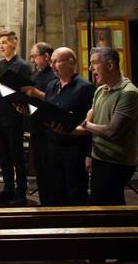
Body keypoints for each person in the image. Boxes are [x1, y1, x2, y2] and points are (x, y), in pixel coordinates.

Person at [20, 47, 93, 206]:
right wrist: (27, 111)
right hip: (52, 147)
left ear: (71, 62)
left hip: (74, 150)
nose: (52, 65)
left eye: (56, 62)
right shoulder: (52, 86)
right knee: (56, 192)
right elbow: (46, 114)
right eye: (51, 61)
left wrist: (89, 154)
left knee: (74, 193)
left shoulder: (85, 87)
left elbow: (91, 125)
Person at [78, 47, 138, 205]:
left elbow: (112, 131)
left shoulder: (129, 93)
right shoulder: (100, 90)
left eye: (94, 63)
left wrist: (83, 124)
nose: (90, 68)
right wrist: (90, 154)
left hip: (116, 162)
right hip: (99, 158)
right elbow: (92, 123)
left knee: (99, 207)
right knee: (112, 206)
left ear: (110, 65)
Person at [0, 30, 32, 206]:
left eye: (5, 42)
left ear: (14, 43)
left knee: (16, 155)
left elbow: (26, 90)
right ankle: (8, 189)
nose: (1, 46)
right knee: (3, 155)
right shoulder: (0, 64)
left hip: (14, 114)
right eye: (0, 42)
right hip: (0, 113)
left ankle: (21, 192)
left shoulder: (22, 66)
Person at [26, 41, 55, 205]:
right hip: (35, 127)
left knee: (50, 171)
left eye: (34, 56)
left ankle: (52, 205)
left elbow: (55, 100)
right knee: (40, 170)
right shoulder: (35, 74)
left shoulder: (54, 75)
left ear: (46, 56)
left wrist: (37, 93)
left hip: (49, 129)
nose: (32, 61)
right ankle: (44, 203)